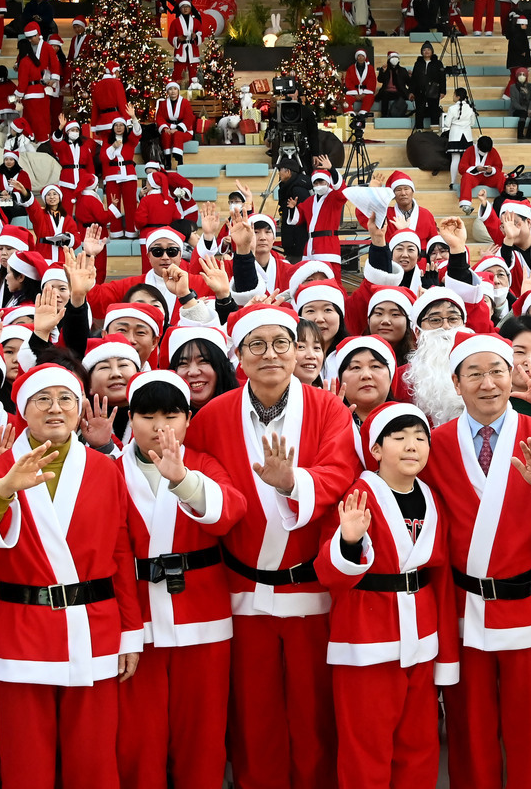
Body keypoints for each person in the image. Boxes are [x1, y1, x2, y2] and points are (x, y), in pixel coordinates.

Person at [181, 304, 358, 789]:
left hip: (309, 591)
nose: (271, 355)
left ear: (299, 349)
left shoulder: (329, 410)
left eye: (282, 343)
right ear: (239, 356)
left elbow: (340, 474)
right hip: (241, 590)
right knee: (253, 716)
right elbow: (204, 493)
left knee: (313, 715)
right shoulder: (212, 416)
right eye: (256, 345)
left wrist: (293, 483)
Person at [0, 363, 144, 789]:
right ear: (23, 409)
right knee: (25, 762)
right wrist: (2, 490)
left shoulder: (104, 469)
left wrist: (131, 632)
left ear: (79, 409)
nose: (55, 409)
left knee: (93, 759)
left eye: (65, 400)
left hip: (94, 627)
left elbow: (119, 551)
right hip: (21, 631)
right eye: (43, 399)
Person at [422, 331, 531, 789]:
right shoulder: (435, 444)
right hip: (463, 608)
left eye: (497, 371)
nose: (488, 383)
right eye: (474, 374)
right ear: (456, 384)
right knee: (469, 730)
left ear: (513, 376)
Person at [114, 370, 244, 789]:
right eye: (147, 415)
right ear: (129, 418)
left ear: (189, 418)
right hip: (138, 623)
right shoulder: (108, 470)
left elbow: (229, 513)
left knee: (202, 737)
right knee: (138, 737)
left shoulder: (203, 463)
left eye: (171, 414)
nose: (159, 426)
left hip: (203, 616)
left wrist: (183, 479)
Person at [316, 401, 457, 787]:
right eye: (399, 437)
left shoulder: (432, 497)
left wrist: (446, 652)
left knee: (420, 744)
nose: (412, 445)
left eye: (420, 437)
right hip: (367, 637)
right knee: (367, 746)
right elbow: (328, 573)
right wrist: (348, 540)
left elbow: (440, 578)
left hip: (421, 635)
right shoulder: (357, 495)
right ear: (376, 450)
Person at [442, 88, 478, 191]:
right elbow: (472, 123)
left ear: (457, 96)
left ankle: (453, 182)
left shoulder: (452, 108)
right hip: (467, 136)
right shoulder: (470, 108)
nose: (453, 96)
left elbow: (447, 124)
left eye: (454, 95)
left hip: (455, 136)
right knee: (467, 160)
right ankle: (468, 180)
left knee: (455, 159)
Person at [167, 0, 205, 88]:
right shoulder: (175, 22)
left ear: (190, 8)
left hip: (193, 48)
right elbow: (170, 37)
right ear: (180, 9)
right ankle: (177, 89)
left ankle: (194, 90)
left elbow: (201, 35)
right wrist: (178, 39)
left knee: (193, 71)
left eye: (187, 7)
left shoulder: (196, 21)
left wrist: (196, 36)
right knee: (179, 71)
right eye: (183, 7)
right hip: (181, 49)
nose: (185, 9)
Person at [410, 42, 445, 130]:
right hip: (420, 91)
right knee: (419, 111)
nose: (426, 51)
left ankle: (435, 130)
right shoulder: (418, 63)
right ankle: (419, 130)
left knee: (434, 110)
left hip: (434, 90)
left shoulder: (438, 63)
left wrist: (443, 91)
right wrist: (411, 91)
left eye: (428, 49)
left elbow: (442, 78)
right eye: (424, 50)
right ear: (421, 52)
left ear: (432, 51)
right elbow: (413, 79)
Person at [377, 51, 410, 118]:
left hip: (399, 91)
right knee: (384, 95)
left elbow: (409, 82)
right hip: (387, 91)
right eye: (392, 57)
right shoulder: (385, 69)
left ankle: (399, 115)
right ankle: (384, 116)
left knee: (401, 97)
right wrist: (383, 71)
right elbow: (380, 80)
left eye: (396, 57)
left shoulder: (402, 70)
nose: (394, 59)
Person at [343, 49, 377, 113]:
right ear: (356, 58)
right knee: (345, 99)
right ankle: (350, 114)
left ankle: (363, 113)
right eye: (359, 56)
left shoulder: (370, 68)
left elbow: (372, 81)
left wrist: (364, 93)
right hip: (354, 93)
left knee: (370, 98)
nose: (361, 58)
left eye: (362, 56)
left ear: (365, 58)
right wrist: (355, 94)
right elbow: (348, 81)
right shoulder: (351, 68)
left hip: (365, 93)